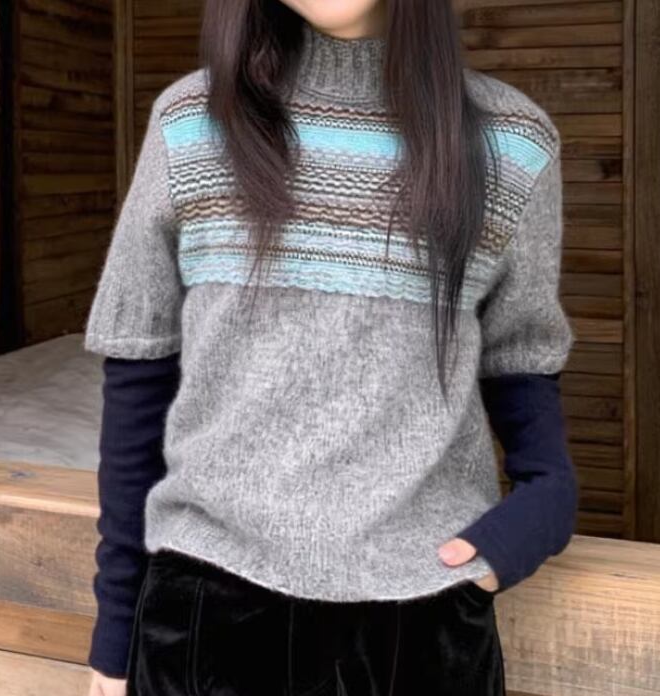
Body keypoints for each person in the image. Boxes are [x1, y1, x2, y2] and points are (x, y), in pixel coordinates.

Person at [83, 1, 578, 694]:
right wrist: (115, 633)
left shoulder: (510, 141)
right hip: (206, 622)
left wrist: (544, 502)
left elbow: (521, 356)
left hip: (424, 621)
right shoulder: (191, 122)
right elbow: (139, 366)